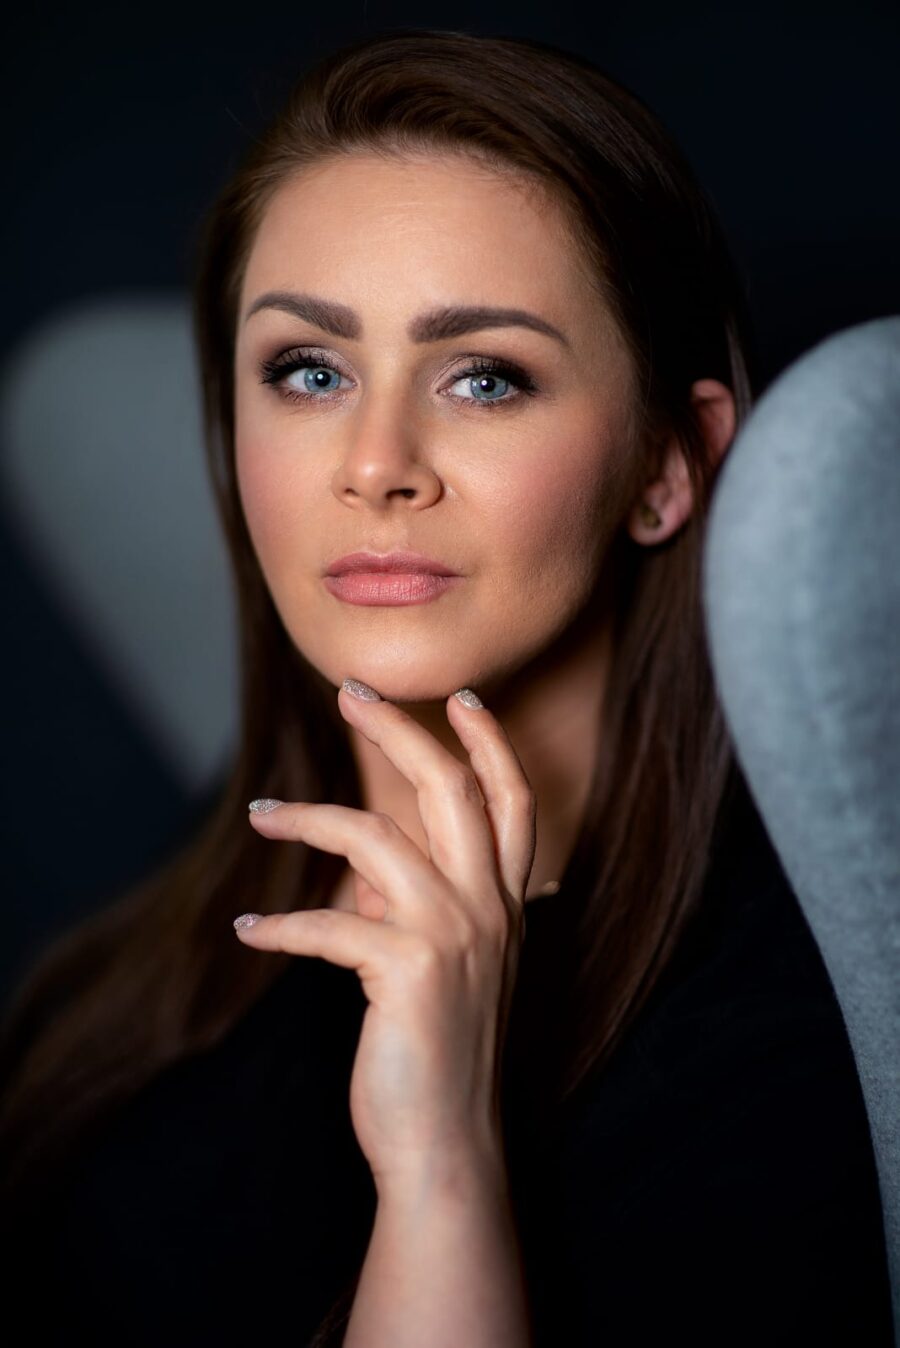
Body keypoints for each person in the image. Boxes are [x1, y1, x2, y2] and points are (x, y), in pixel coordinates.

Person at [0, 27, 892, 1347]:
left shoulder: (783, 1052)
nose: (375, 464)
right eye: (310, 372)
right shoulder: (165, 946)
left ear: (671, 466)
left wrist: (439, 1168)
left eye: (486, 379)